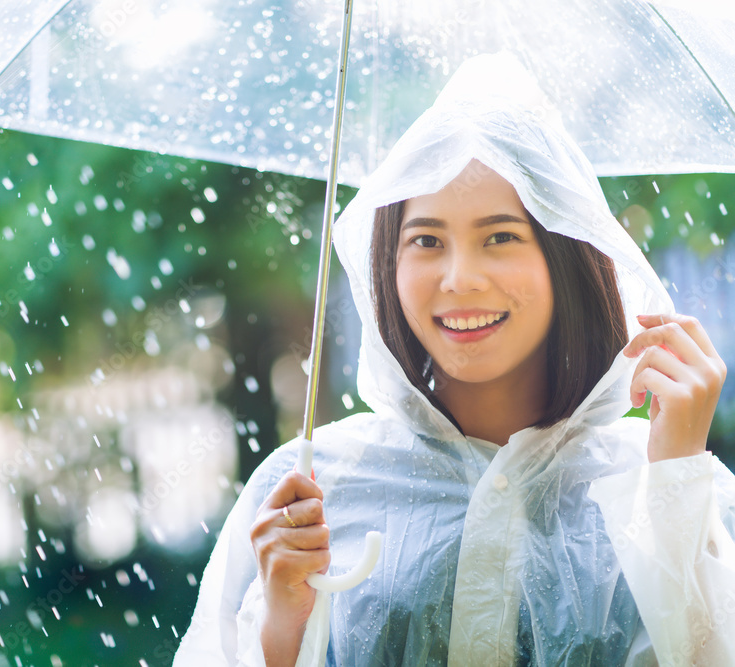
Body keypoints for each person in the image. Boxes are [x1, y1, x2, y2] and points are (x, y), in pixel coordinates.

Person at [173, 53, 735, 666]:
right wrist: (281, 632)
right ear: (389, 263)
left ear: (566, 257)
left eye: (500, 237)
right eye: (427, 241)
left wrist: (677, 487)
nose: (459, 279)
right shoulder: (306, 491)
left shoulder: (665, 482)